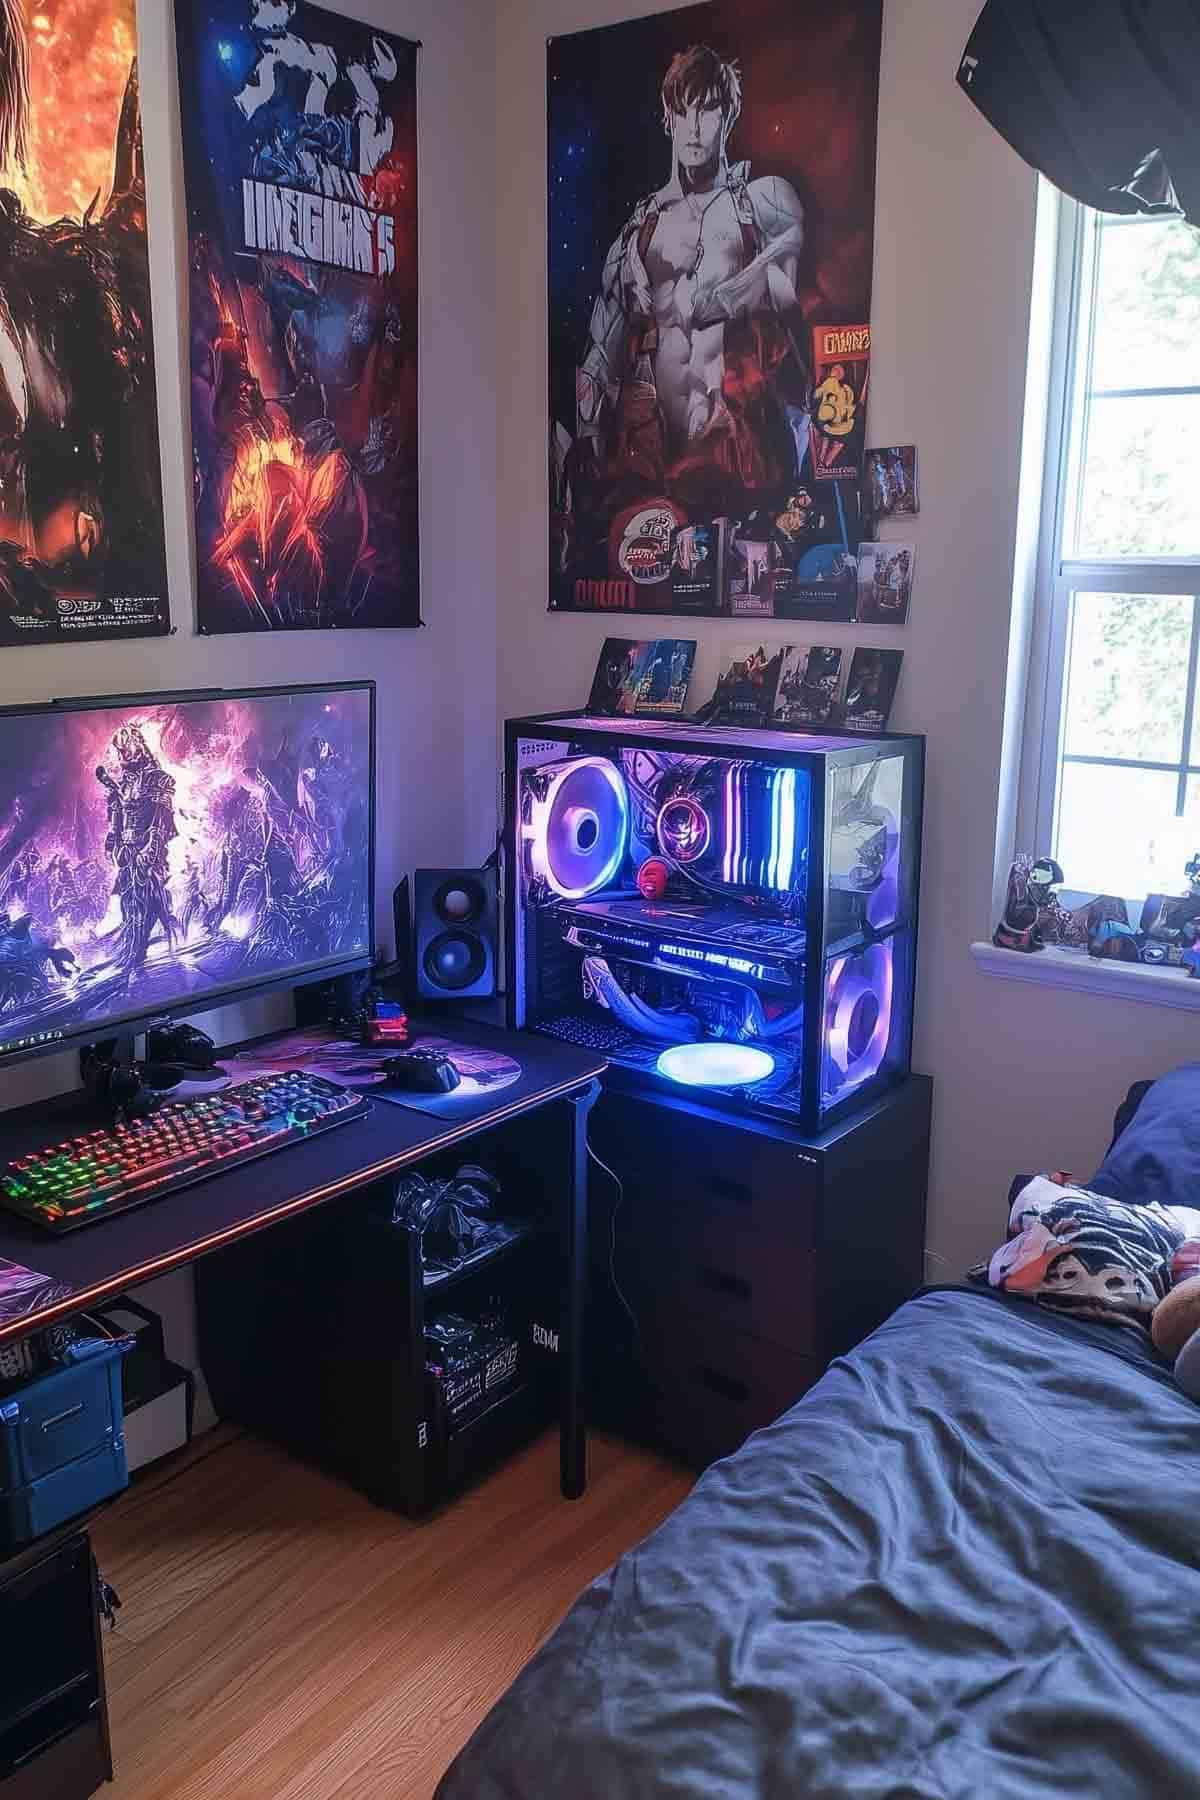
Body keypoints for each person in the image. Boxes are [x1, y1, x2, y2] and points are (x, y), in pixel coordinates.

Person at [577, 44, 805, 494]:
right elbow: (602, 351)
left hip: (736, 455)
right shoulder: (640, 229)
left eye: (709, 110)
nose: (695, 127)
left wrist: (739, 290)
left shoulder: (762, 206)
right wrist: (587, 440)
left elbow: (791, 324)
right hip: (653, 455)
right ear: (668, 118)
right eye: (684, 111)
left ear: (730, 116)